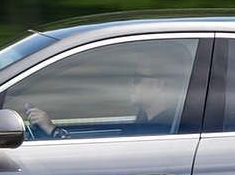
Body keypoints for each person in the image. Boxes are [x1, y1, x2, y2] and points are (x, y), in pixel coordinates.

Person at [22, 53, 185, 139]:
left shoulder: (159, 132)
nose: (130, 83)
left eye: (137, 78)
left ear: (158, 84)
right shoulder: (147, 121)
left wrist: (52, 130)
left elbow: (96, 164)